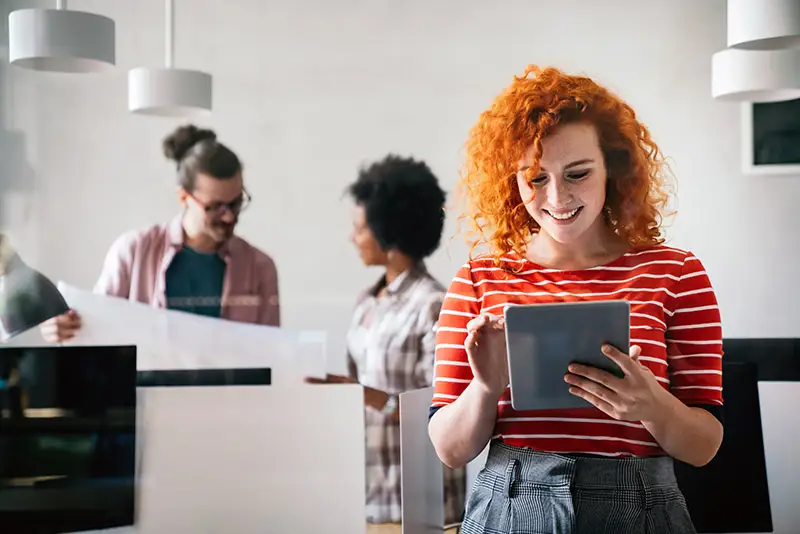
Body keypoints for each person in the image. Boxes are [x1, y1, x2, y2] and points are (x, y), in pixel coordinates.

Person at [428, 65, 724, 533]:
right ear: (513, 180)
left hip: (642, 509)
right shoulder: (479, 278)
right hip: (510, 506)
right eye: (536, 178)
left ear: (614, 167)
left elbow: (705, 445)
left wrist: (649, 405)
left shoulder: (677, 273)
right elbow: (449, 449)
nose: (558, 197)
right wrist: (485, 388)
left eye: (578, 173)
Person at [307, 154, 466, 534]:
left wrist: (367, 395)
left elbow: (442, 409)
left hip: (422, 505)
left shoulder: (435, 305)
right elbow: (356, 389)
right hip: (368, 498)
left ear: (388, 235)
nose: (352, 237)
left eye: (358, 227)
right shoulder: (366, 302)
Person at [40, 124, 280, 343]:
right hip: (143, 392)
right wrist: (60, 327)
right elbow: (94, 330)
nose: (229, 216)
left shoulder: (260, 267)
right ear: (184, 197)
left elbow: (274, 356)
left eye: (236, 202)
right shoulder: (134, 252)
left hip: (231, 393)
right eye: (216, 207)